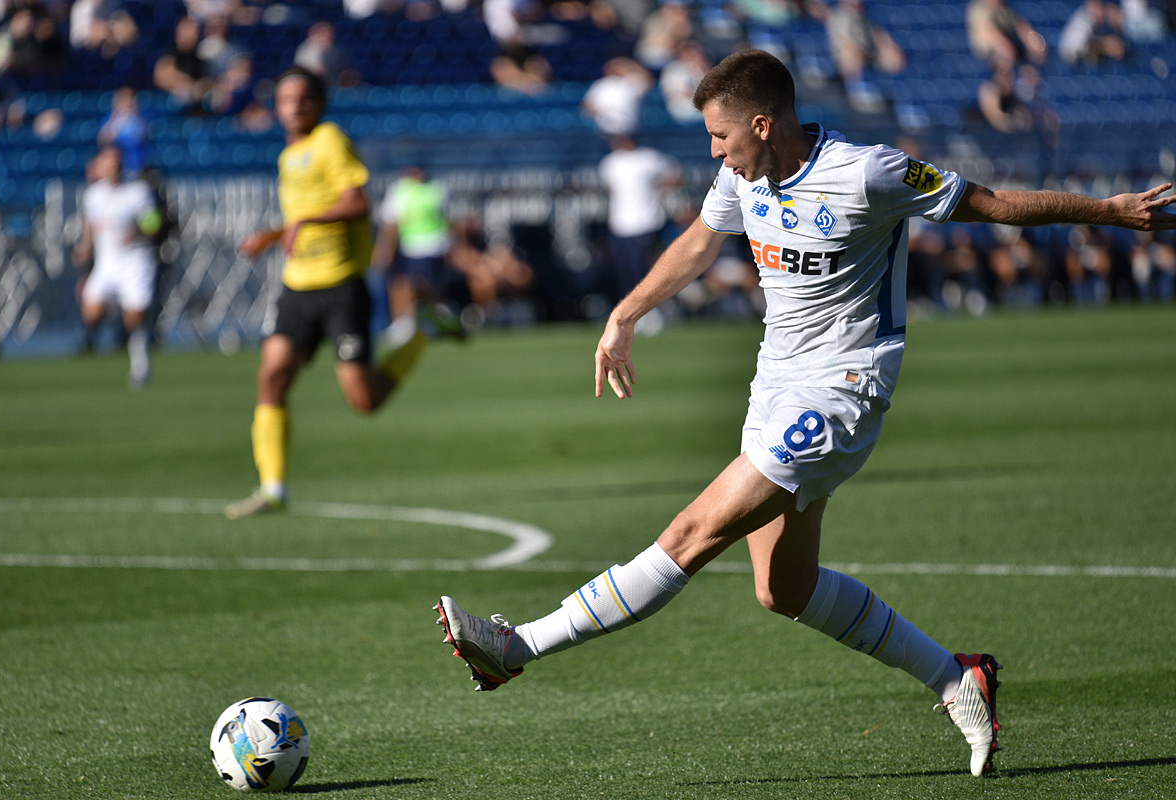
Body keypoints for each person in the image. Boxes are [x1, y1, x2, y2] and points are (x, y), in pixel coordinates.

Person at [433, 49, 1176, 778]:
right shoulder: (741, 176)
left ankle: (515, 648)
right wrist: (625, 314)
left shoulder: (867, 172)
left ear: (761, 124)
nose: (714, 151)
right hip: (775, 388)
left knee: (691, 534)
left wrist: (1109, 211)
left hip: (842, 392)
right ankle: (957, 678)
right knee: (783, 589)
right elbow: (699, 241)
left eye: (720, 136)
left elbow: (991, 203)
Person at [224, 67, 427, 520]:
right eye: (285, 99)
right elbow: (302, 217)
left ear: (319, 103)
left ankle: (421, 337)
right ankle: (273, 488)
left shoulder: (330, 140)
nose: (294, 107)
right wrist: (273, 235)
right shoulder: (289, 155)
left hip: (341, 287)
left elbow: (356, 201)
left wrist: (303, 222)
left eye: (303, 99)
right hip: (297, 287)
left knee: (364, 401)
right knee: (271, 376)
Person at [73, 145, 163, 388]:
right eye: (108, 162)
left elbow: (154, 223)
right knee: (91, 312)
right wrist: (85, 249)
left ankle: (140, 364)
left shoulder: (137, 191)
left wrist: (137, 231)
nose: (113, 167)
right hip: (107, 263)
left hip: (135, 260)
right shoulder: (93, 195)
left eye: (117, 162)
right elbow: (91, 228)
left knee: (135, 317)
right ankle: (119, 311)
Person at [372, 166, 465, 346]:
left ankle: (415, 322)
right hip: (408, 247)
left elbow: (449, 220)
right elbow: (391, 224)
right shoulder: (398, 189)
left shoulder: (438, 187)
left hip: (433, 246)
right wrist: (385, 250)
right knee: (397, 284)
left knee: (415, 283)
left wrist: (455, 246)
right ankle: (416, 319)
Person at [598, 134, 683, 304]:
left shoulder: (648, 158)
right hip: (620, 225)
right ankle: (633, 308)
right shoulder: (609, 162)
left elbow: (676, 176)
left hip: (645, 223)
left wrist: (657, 190)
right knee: (626, 271)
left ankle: (654, 306)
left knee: (645, 270)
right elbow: (609, 190)